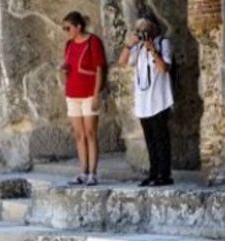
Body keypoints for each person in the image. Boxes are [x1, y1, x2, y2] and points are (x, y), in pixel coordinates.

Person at [118, 15, 174, 186]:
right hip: (143, 103)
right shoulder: (138, 47)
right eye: (140, 31)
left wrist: (152, 49)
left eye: (145, 30)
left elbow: (164, 68)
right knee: (150, 140)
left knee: (161, 139)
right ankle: (153, 173)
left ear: (154, 29)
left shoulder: (163, 43)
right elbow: (122, 62)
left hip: (159, 101)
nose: (143, 34)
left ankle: (164, 175)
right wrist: (130, 44)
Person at [61, 11, 107, 186]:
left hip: (89, 93)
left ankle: (93, 174)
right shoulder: (69, 45)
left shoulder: (93, 42)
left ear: (78, 27)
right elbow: (69, 66)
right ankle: (82, 171)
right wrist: (65, 69)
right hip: (72, 93)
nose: (66, 31)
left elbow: (99, 69)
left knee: (90, 133)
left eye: (68, 28)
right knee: (79, 135)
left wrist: (96, 94)